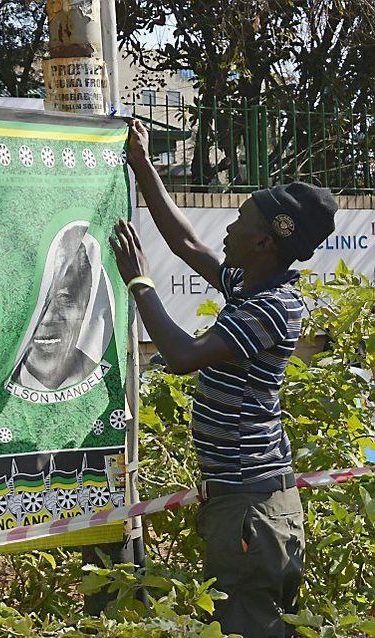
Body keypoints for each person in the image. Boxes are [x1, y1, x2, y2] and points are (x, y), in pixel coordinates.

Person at [112, 119, 336, 638]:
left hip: (250, 511)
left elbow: (184, 354)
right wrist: (143, 164)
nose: (227, 230)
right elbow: (188, 244)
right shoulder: (249, 283)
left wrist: (140, 283)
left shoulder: (270, 307)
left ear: (263, 241)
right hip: (244, 505)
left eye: (238, 221)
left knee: (247, 627)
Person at [12, 224, 113, 391]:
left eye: (64, 298)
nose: (48, 318)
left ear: (84, 302)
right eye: (37, 302)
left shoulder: (101, 380)